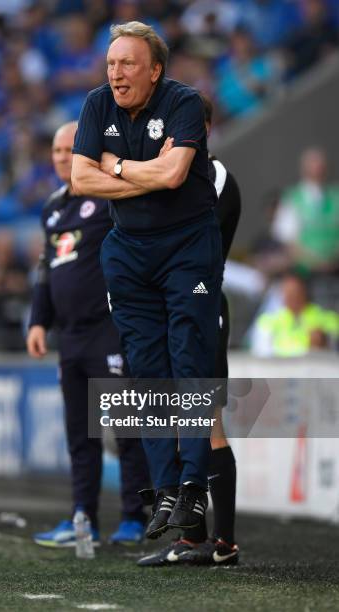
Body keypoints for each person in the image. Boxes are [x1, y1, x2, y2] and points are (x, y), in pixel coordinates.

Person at [71, 22, 223, 541]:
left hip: (187, 248)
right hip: (129, 252)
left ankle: (192, 488)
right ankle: (164, 495)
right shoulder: (96, 104)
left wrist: (113, 167)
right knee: (146, 372)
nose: (117, 74)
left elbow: (176, 175)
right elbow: (78, 178)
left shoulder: (183, 103)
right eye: (112, 64)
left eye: (128, 64)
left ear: (154, 70)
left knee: (190, 361)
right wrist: (138, 171)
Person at [27, 121, 150, 546]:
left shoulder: (108, 195)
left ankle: (135, 516)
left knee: (125, 427)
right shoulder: (52, 208)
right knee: (79, 434)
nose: (62, 157)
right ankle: (83, 519)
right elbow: (47, 271)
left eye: (70, 149)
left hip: (109, 330)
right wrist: (38, 321)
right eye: (57, 150)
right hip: (70, 336)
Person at [137, 94, 241, 566]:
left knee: (205, 418)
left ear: (203, 128)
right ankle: (191, 540)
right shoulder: (165, 175)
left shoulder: (215, 179)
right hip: (163, 309)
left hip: (198, 306)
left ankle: (225, 542)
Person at [251, 273, 339, 357]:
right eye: (287, 292)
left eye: (295, 291)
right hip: (279, 368)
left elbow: (333, 345)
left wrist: (323, 341)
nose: (290, 296)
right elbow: (261, 352)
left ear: (304, 292)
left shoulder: (326, 317)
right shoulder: (268, 320)